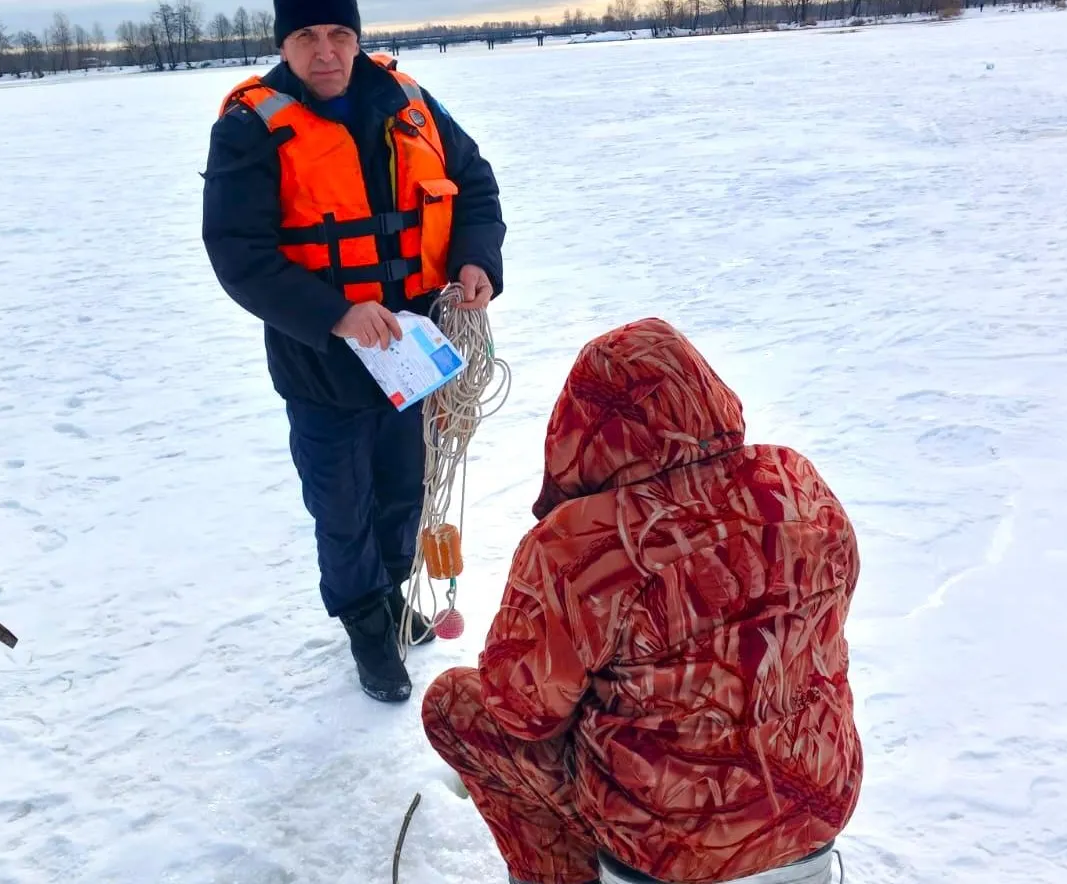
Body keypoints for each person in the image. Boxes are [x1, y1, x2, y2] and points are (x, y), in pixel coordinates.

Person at [421, 319, 863, 884]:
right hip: (814, 803)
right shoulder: (795, 485)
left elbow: (520, 711)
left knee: (454, 706)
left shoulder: (579, 543)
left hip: (664, 839)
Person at [201, 0, 506, 703]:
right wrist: (337, 314)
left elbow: (476, 186)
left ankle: (392, 592)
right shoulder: (251, 127)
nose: (327, 51)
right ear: (285, 44)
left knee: (405, 492)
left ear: (358, 37)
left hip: (417, 358)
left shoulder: (409, 100)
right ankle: (367, 623)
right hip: (323, 369)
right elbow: (238, 255)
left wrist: (475, 259)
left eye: (340, 34)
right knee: (343, 506)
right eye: (307, 36)